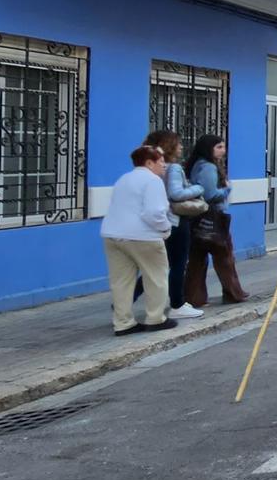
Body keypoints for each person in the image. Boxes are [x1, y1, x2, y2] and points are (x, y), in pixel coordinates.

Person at [100, 146, 181, 336]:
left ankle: (122, 323)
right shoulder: (153, 181)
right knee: (156, 277)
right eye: (161, 161)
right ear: (149, 162)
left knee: (121, 281)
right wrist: (165, 228)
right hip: (143, 236)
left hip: (113, 234)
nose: (164, 165)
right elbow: (154, 212)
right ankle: (155, 318)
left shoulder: (123, 179)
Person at [140, 130, 204, 320]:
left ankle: (127, 300)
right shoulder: (173, 168)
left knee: (157, 266)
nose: (181, 147)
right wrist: (197, 188)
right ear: (169, 146)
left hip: (158, 220)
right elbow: (175, 194)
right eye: (178, 143)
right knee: (177, 264)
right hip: (176, 220)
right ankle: (177, 303)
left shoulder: (149, 169)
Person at [184, 135, 247, 306]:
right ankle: (233, 292)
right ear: (208, 148)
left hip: (198, 219)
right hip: (214, 217)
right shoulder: (208, 168)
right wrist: (227, 189)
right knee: (224, 256)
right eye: (219, 147)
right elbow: (211, 194)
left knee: (197, 260)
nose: (223, 150)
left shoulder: (197, 165)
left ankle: (193, 297)